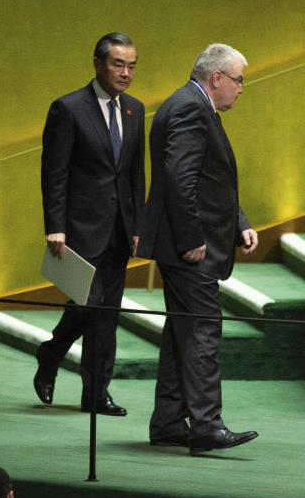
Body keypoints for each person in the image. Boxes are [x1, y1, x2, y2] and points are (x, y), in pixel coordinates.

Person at [138, 43, 259, 454]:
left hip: (186, 242)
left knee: (181, 332)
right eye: (239, 80)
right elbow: (179, 179)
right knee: (204, 330)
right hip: (189, 248)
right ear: (217, 78)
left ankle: (169, 421)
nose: (242, 88)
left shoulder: (189, 103)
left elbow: (210, 181)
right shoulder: (191, 108)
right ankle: (206, 425)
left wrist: (239, 223)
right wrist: (192, 240)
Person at [34, 32, 145, 416]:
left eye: (131, 66)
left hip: (119, 230)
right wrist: (56, 224)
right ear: (98, 63)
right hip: (80, 228)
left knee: (107, 314)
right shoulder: (68, 109)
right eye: (118, 64)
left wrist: (136, 225)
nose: (126, 73)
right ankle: (50, 354)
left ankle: (96, 394)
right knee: (88, 306)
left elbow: (134, 173)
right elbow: (55, 173)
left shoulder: (135, 109)